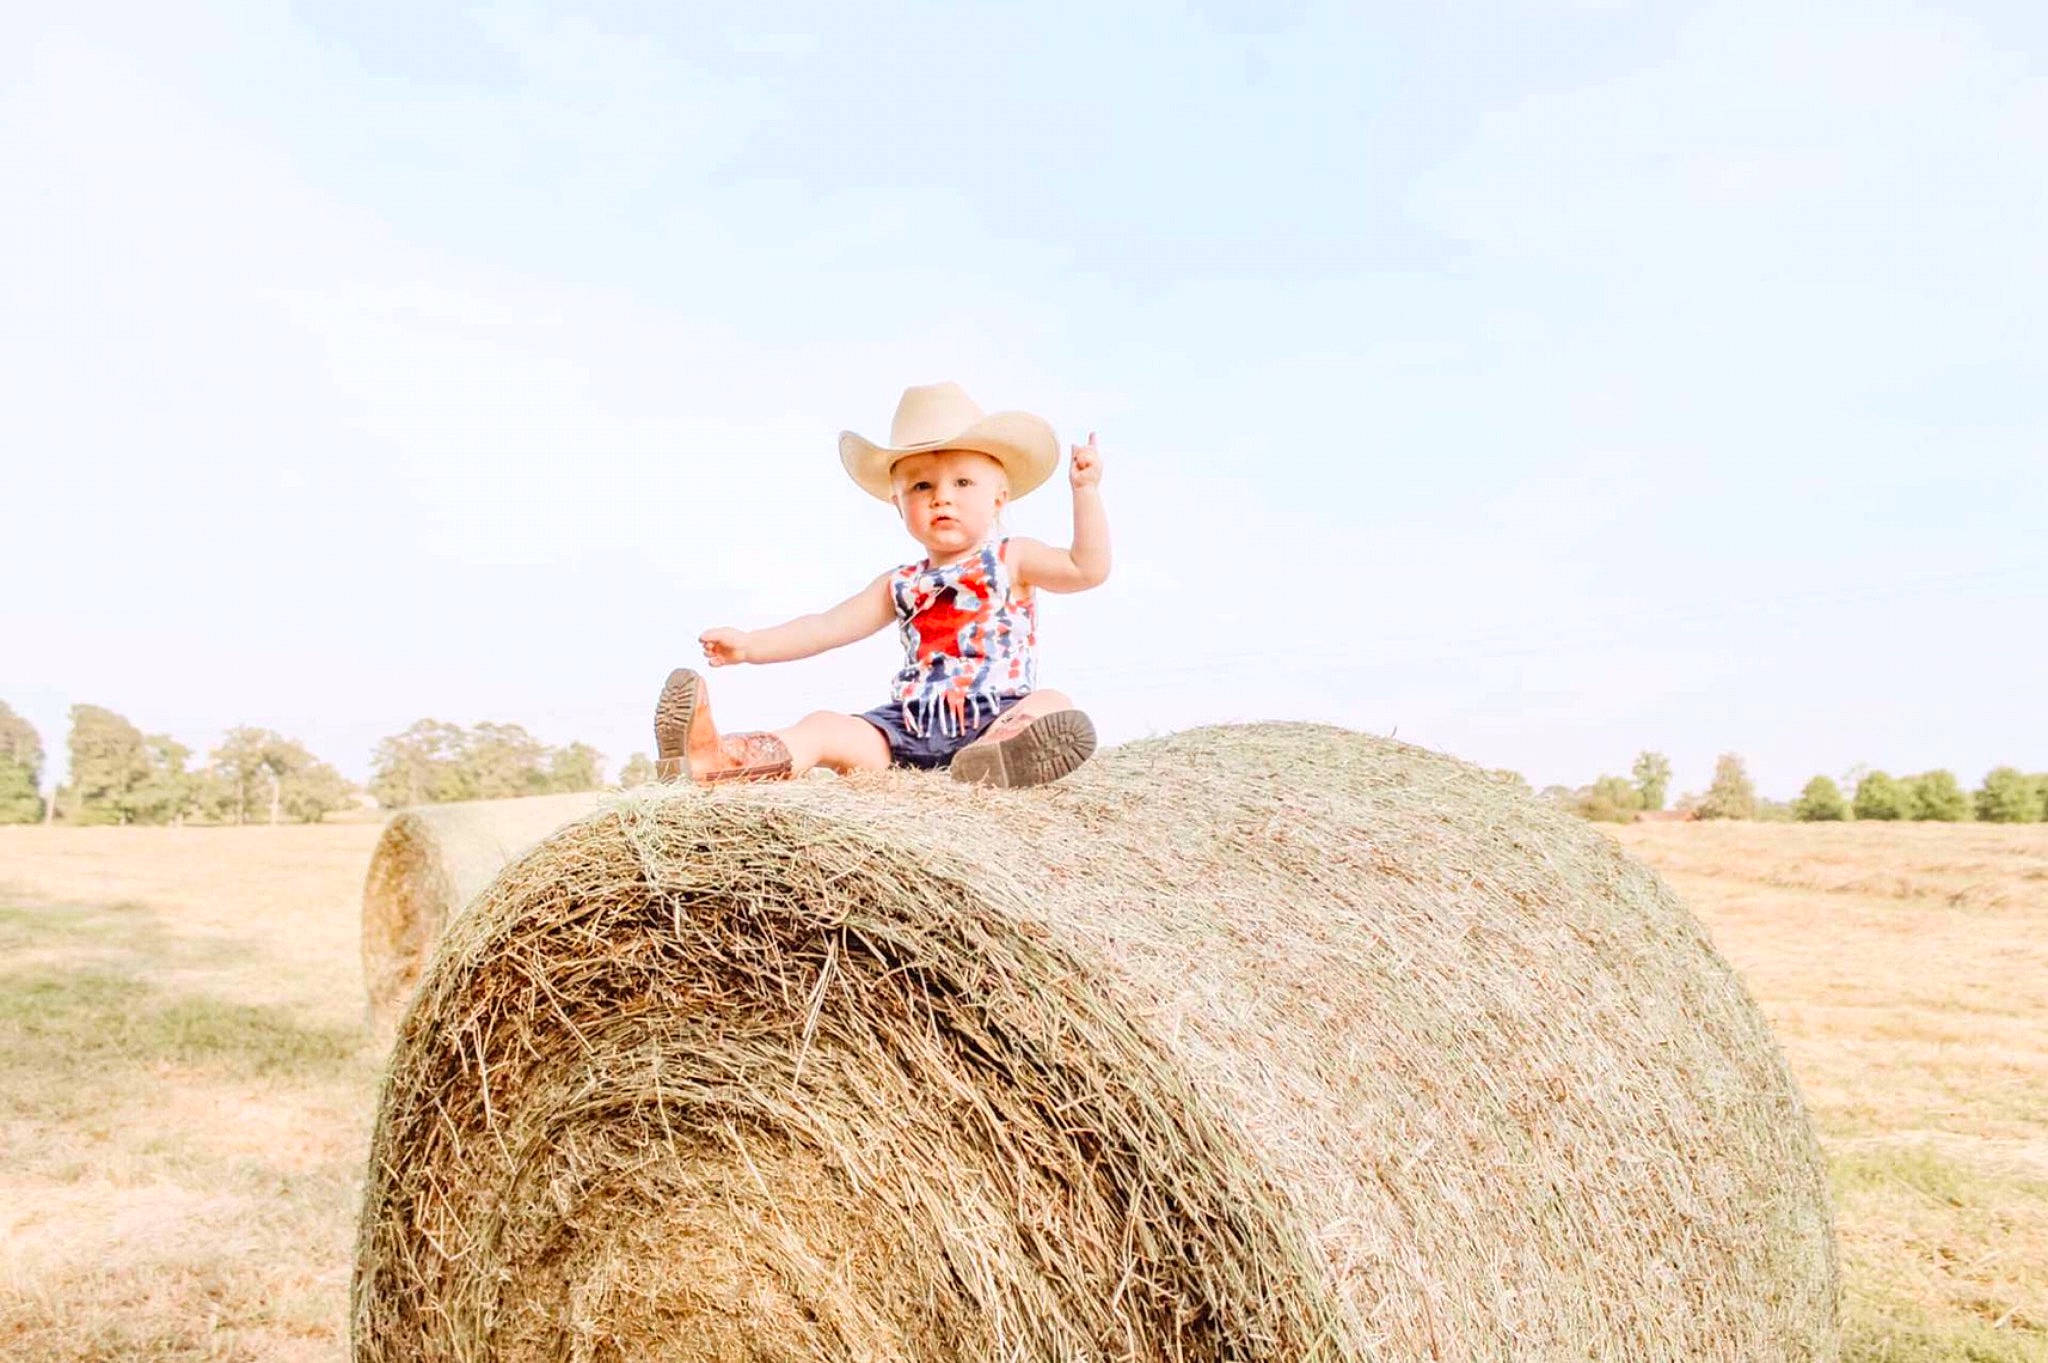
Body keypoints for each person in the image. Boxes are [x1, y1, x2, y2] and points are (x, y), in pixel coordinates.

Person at [654, 381, 1110, 789]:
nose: (942, 497)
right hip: (907, 728)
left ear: (998, 498)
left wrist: (1085, 492)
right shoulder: (900, 583)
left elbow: (1085, 568)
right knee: (823, 726)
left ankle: (995, 758)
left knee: (1052, 702)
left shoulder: (1013, 558)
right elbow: (824, 628)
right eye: (921, 486)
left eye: (963, 482)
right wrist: (751, 645)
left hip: (996, 715)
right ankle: (718, 759)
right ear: (898, 504)